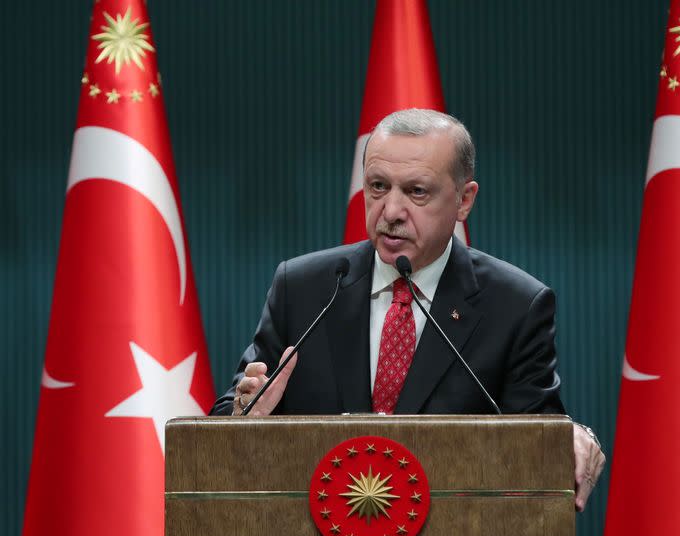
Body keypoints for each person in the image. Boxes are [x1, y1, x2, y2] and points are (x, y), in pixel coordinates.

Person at [211, 109, 605, 510]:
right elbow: (231, 416)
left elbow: (540, 435)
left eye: (417, 192)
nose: (391, 211)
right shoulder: (304, 288)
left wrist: (569, 436)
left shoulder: (515, 306)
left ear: (464, 200)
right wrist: (243, 414)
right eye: (378, 187)